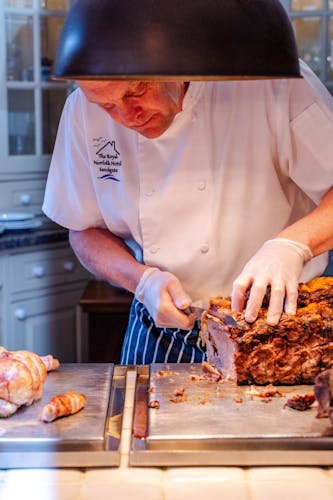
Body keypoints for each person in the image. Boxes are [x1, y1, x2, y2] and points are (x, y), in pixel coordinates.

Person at [42, 60, 333, 364]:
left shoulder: (274, 80)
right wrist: (141, 281)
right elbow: (84, 229)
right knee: (140, 412)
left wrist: (292, 245)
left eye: (136, 90)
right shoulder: (81, 111)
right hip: (161, 331)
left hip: (279, 329)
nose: (127, 117)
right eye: (105, 105)